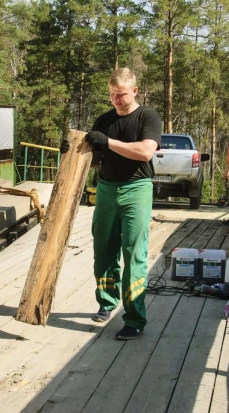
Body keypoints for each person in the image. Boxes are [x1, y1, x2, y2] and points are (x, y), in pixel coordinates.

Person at [60, 68, 161, 340]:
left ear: (135, 91)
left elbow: (145, 152)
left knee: (133, 253)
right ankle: (106, 303)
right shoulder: (103, 120)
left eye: (122, 94)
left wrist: (109, 142)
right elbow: (94, 160)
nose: (116, 99)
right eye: (112, 95)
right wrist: (73, 151)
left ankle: (135, 318)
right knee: (104, 250)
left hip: (136, 190)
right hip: (105, 190)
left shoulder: (147, 117)